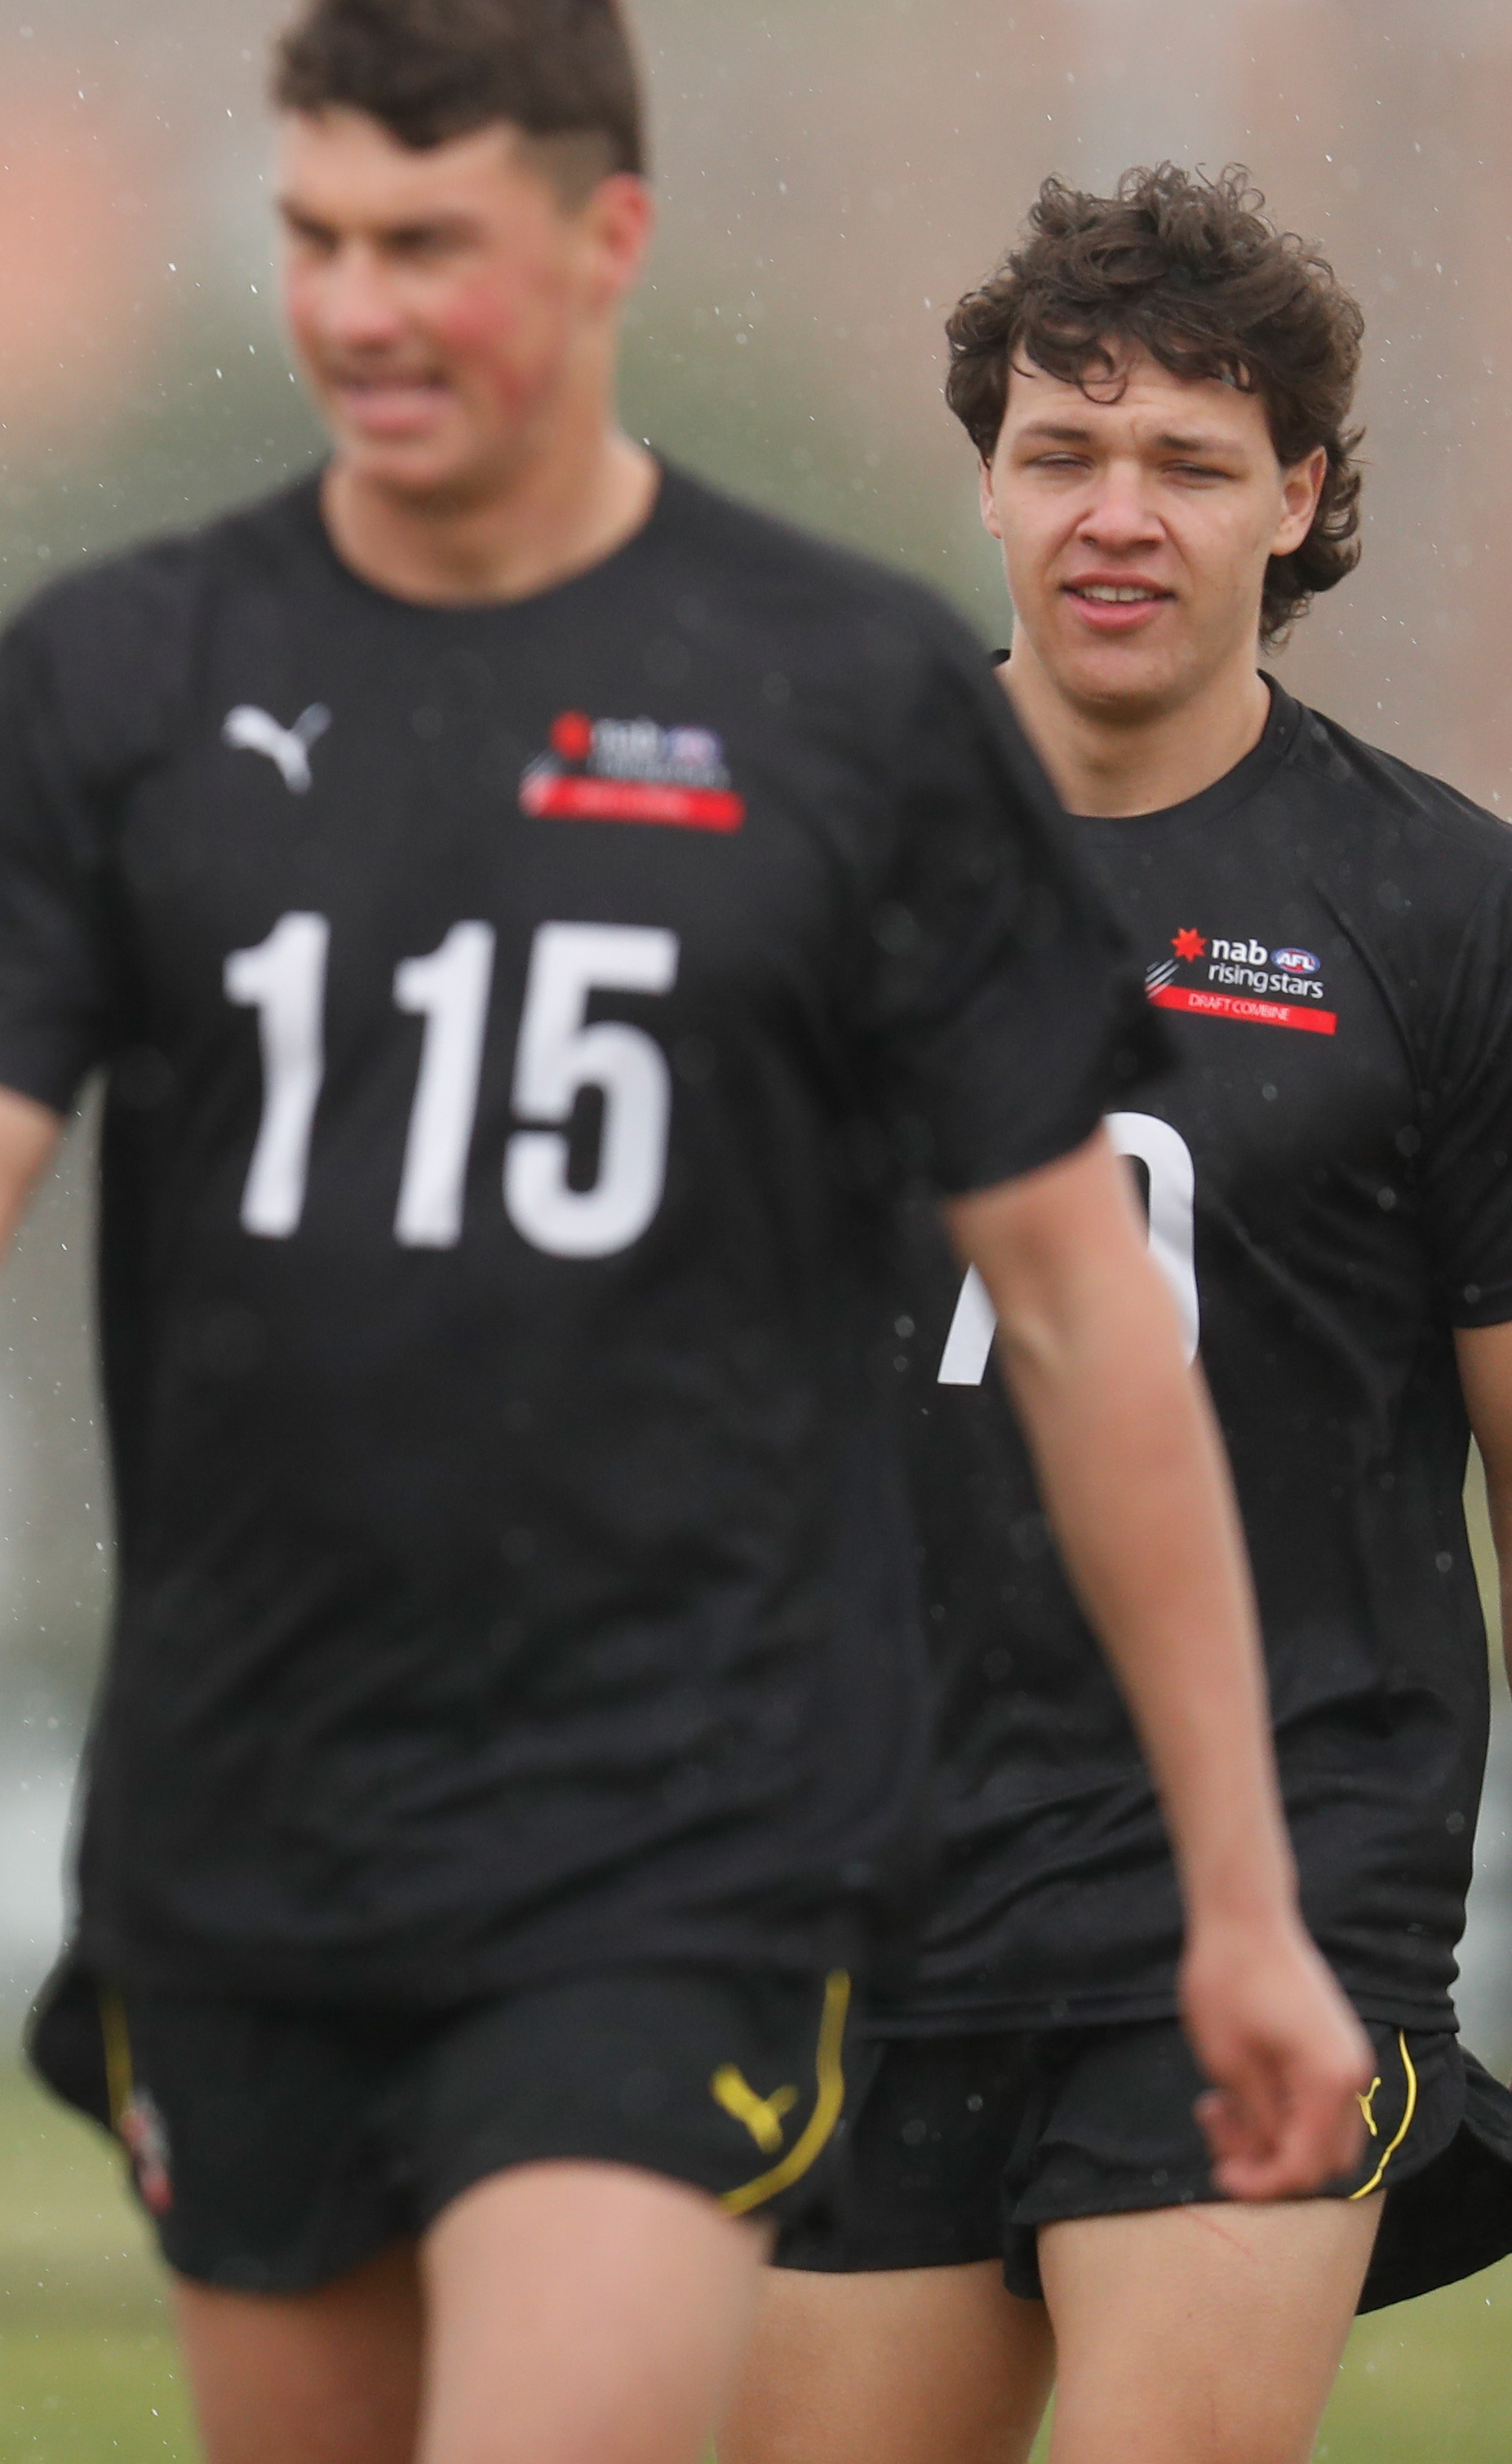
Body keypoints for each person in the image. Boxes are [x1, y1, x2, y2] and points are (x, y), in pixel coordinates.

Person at [0, 0, 1370, 2464]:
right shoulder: (119, 680)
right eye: (316, 241)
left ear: (605, 239)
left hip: (685, 1828)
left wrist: (1243, 1888)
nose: (364, 310)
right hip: (244, 1825)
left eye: (434, 247)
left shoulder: (841, 701)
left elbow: (1086, 1325)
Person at [727, 169, 1512, 2464]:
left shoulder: (1442, 912)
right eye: (1065, 452)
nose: (1118, 514)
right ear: (984, 476)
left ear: (1304, 496)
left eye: (1188, 460)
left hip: (1274, 1894)